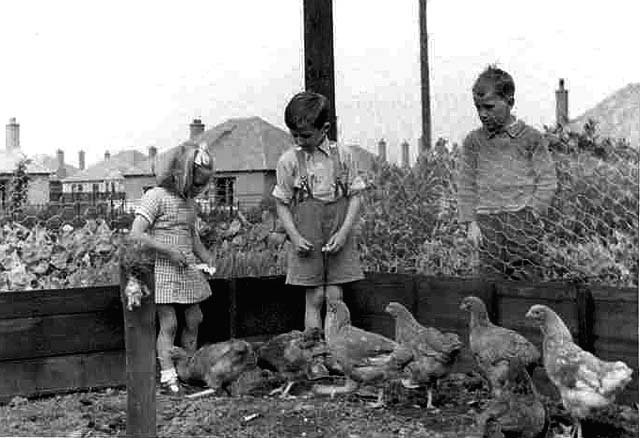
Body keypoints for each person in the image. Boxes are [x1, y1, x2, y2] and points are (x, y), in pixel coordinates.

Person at [272, 91, 366, 332]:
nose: (299, 140)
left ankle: (338, 350)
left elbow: (356, 197)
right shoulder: (288, 161)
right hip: (307, 236)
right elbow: (281, 203)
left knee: (335, 297)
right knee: (314, 297)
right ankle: (314, 353)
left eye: (305, 135)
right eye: (294, 135)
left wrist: (344, 233)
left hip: (338, 233)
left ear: (324, 129)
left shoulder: (344, 156)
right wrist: (293, 236)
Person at [130, 141, 216, 394]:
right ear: (180, 174)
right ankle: (168, 377)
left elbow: (192, 237)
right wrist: (168, 251)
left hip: (187, 268)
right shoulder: (156, 196)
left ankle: (186, 369)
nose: (199, 188)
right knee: (169, 324)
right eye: (197, 182)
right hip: (165, 269)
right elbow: (136, 234)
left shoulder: (188, 202)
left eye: (203, 184)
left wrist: (206, 256)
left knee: (195, 318)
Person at [457, 66, 557, 280]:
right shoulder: (474, 142)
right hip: (486, 223)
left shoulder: (531, 138)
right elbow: (466, 184)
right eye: (478, 107)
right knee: (489, 284)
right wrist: (470, 222)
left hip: (521, 219)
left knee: (527, 279)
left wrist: (535, 213)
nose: (483, 114)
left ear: (510, 102)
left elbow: (547, 179)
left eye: (490, 107)